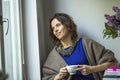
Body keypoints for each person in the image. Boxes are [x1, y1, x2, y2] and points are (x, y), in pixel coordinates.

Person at [42, 13, 119, 80]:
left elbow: (114, 64)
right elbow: (47, 77)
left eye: (58, 25)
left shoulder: (86, 43)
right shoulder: (54, 54)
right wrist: (59, 76)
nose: (55, 30)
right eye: (53, 28)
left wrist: (92, 69)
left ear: (68, 26)